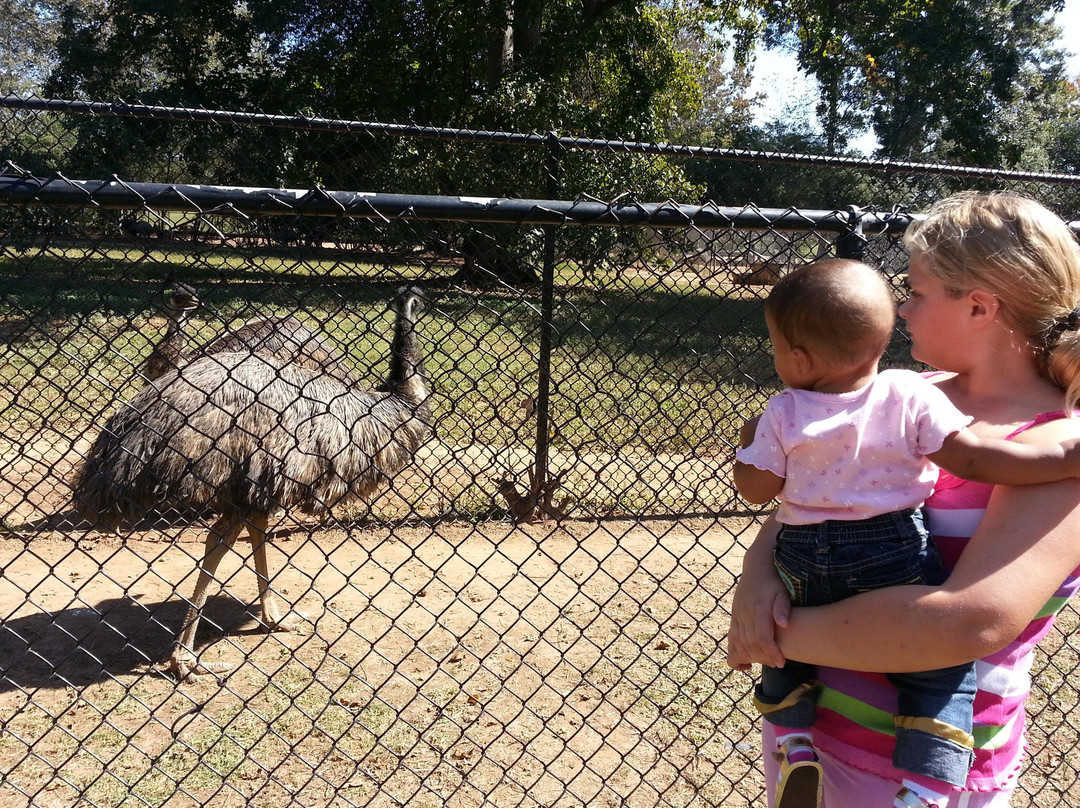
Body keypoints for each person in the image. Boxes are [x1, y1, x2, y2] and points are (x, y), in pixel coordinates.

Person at [726, 191, 1080, 808]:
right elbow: (810, 502)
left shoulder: (1058, 444)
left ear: (979, 306)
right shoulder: (901, 394)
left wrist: (772, 635)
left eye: (916, 293)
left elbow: (969, 620)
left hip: (931, 768)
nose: (903, 311)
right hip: (815, 732)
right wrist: (756, 581)